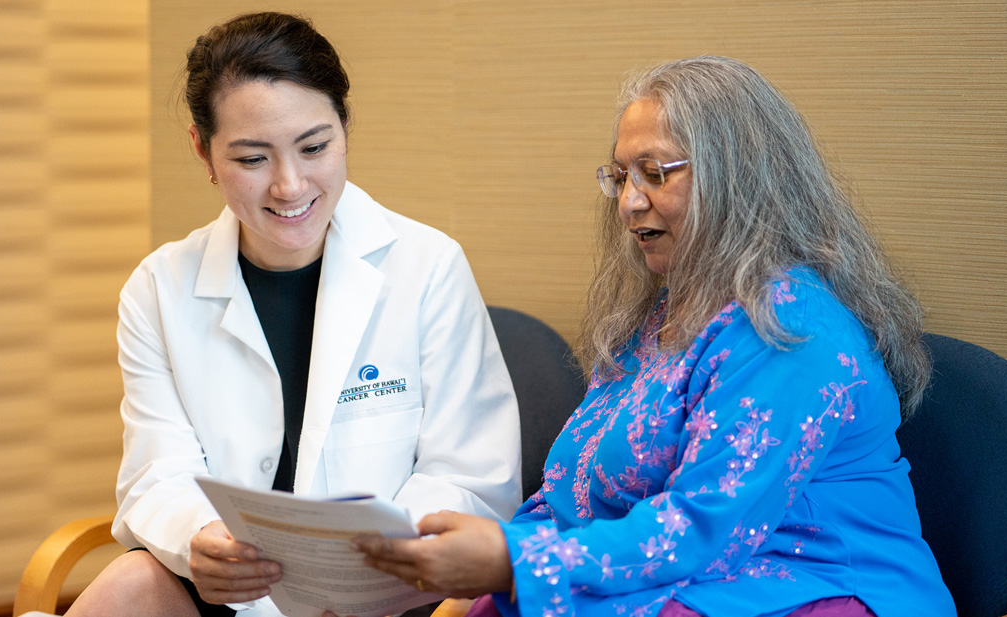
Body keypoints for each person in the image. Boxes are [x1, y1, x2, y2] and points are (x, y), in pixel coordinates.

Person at [353, 56, 956, 617]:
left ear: (737, 178)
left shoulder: (794, 327)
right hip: (698, 577)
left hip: (816, 588)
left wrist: (510, 561)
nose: (628, 201)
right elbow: (575, 489)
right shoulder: (665, 313)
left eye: (654, 173)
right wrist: (494, 559)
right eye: (619, 177)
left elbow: (703, 529)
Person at [65, 12, 522, 617]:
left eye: (314, 147)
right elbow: (157, 475)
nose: (289, 185)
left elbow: (471, 478)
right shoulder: (159, 288)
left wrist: (354, 566)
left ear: (345, 127)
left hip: (378, 600)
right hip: (226, 597)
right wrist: (200, 542)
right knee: (131, 583)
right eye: (252, 159)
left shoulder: (427, 267)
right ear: (203, 150)